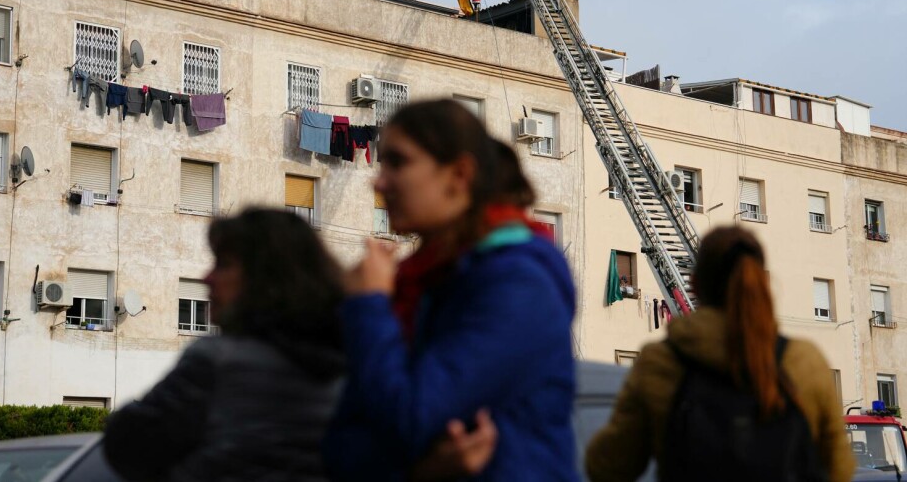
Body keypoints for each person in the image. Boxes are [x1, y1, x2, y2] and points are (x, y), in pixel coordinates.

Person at [324, 99, 578, 481]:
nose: (378, 181)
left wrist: (369, 304)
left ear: (459, 175)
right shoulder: (428, 279)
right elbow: (342, 451)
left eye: (398, 162)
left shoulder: (518, 283)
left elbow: (408, 416)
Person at [584, 226, 855, 482]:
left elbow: (607, 466)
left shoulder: (660, 363)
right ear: (762, 284)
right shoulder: (805, 362)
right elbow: (840, 469)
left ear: (695, 285)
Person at [103, 208, 346, 482]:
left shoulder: (219, 360)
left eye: (224, 265)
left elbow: (126, 442)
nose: (207, 278)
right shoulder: (350, 362)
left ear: (267, 277)